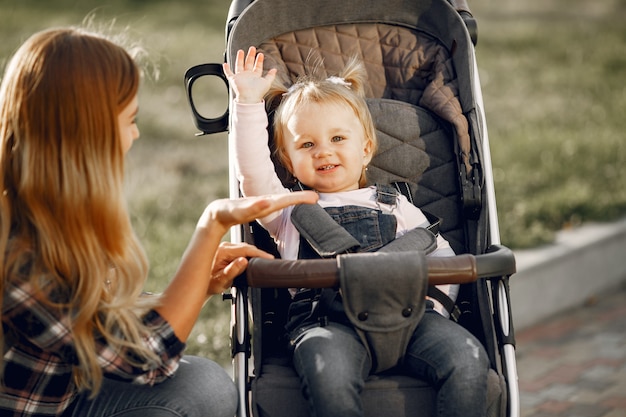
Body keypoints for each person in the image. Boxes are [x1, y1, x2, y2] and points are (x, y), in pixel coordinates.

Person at [0, 28, 318, 417]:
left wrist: (199, 282)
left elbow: (101, 321)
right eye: (129, 120)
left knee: (207, 386)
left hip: (68, 387)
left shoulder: (54, 210)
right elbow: (147, 361)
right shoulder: (20, 254)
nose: (135, 134)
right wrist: (211, 225)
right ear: (86, 131)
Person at [223, 46, 491, 417]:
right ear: (288, 161)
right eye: (307, 144)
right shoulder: (287, 210)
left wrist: (434, 307)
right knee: (328, 376)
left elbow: (438, 253)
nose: (323, 152)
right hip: (328, 323)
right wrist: (248, 103)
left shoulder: (393, 204)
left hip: (411, 316)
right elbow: (252, 175)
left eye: (337, 139)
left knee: (468, 358)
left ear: (365, 149)